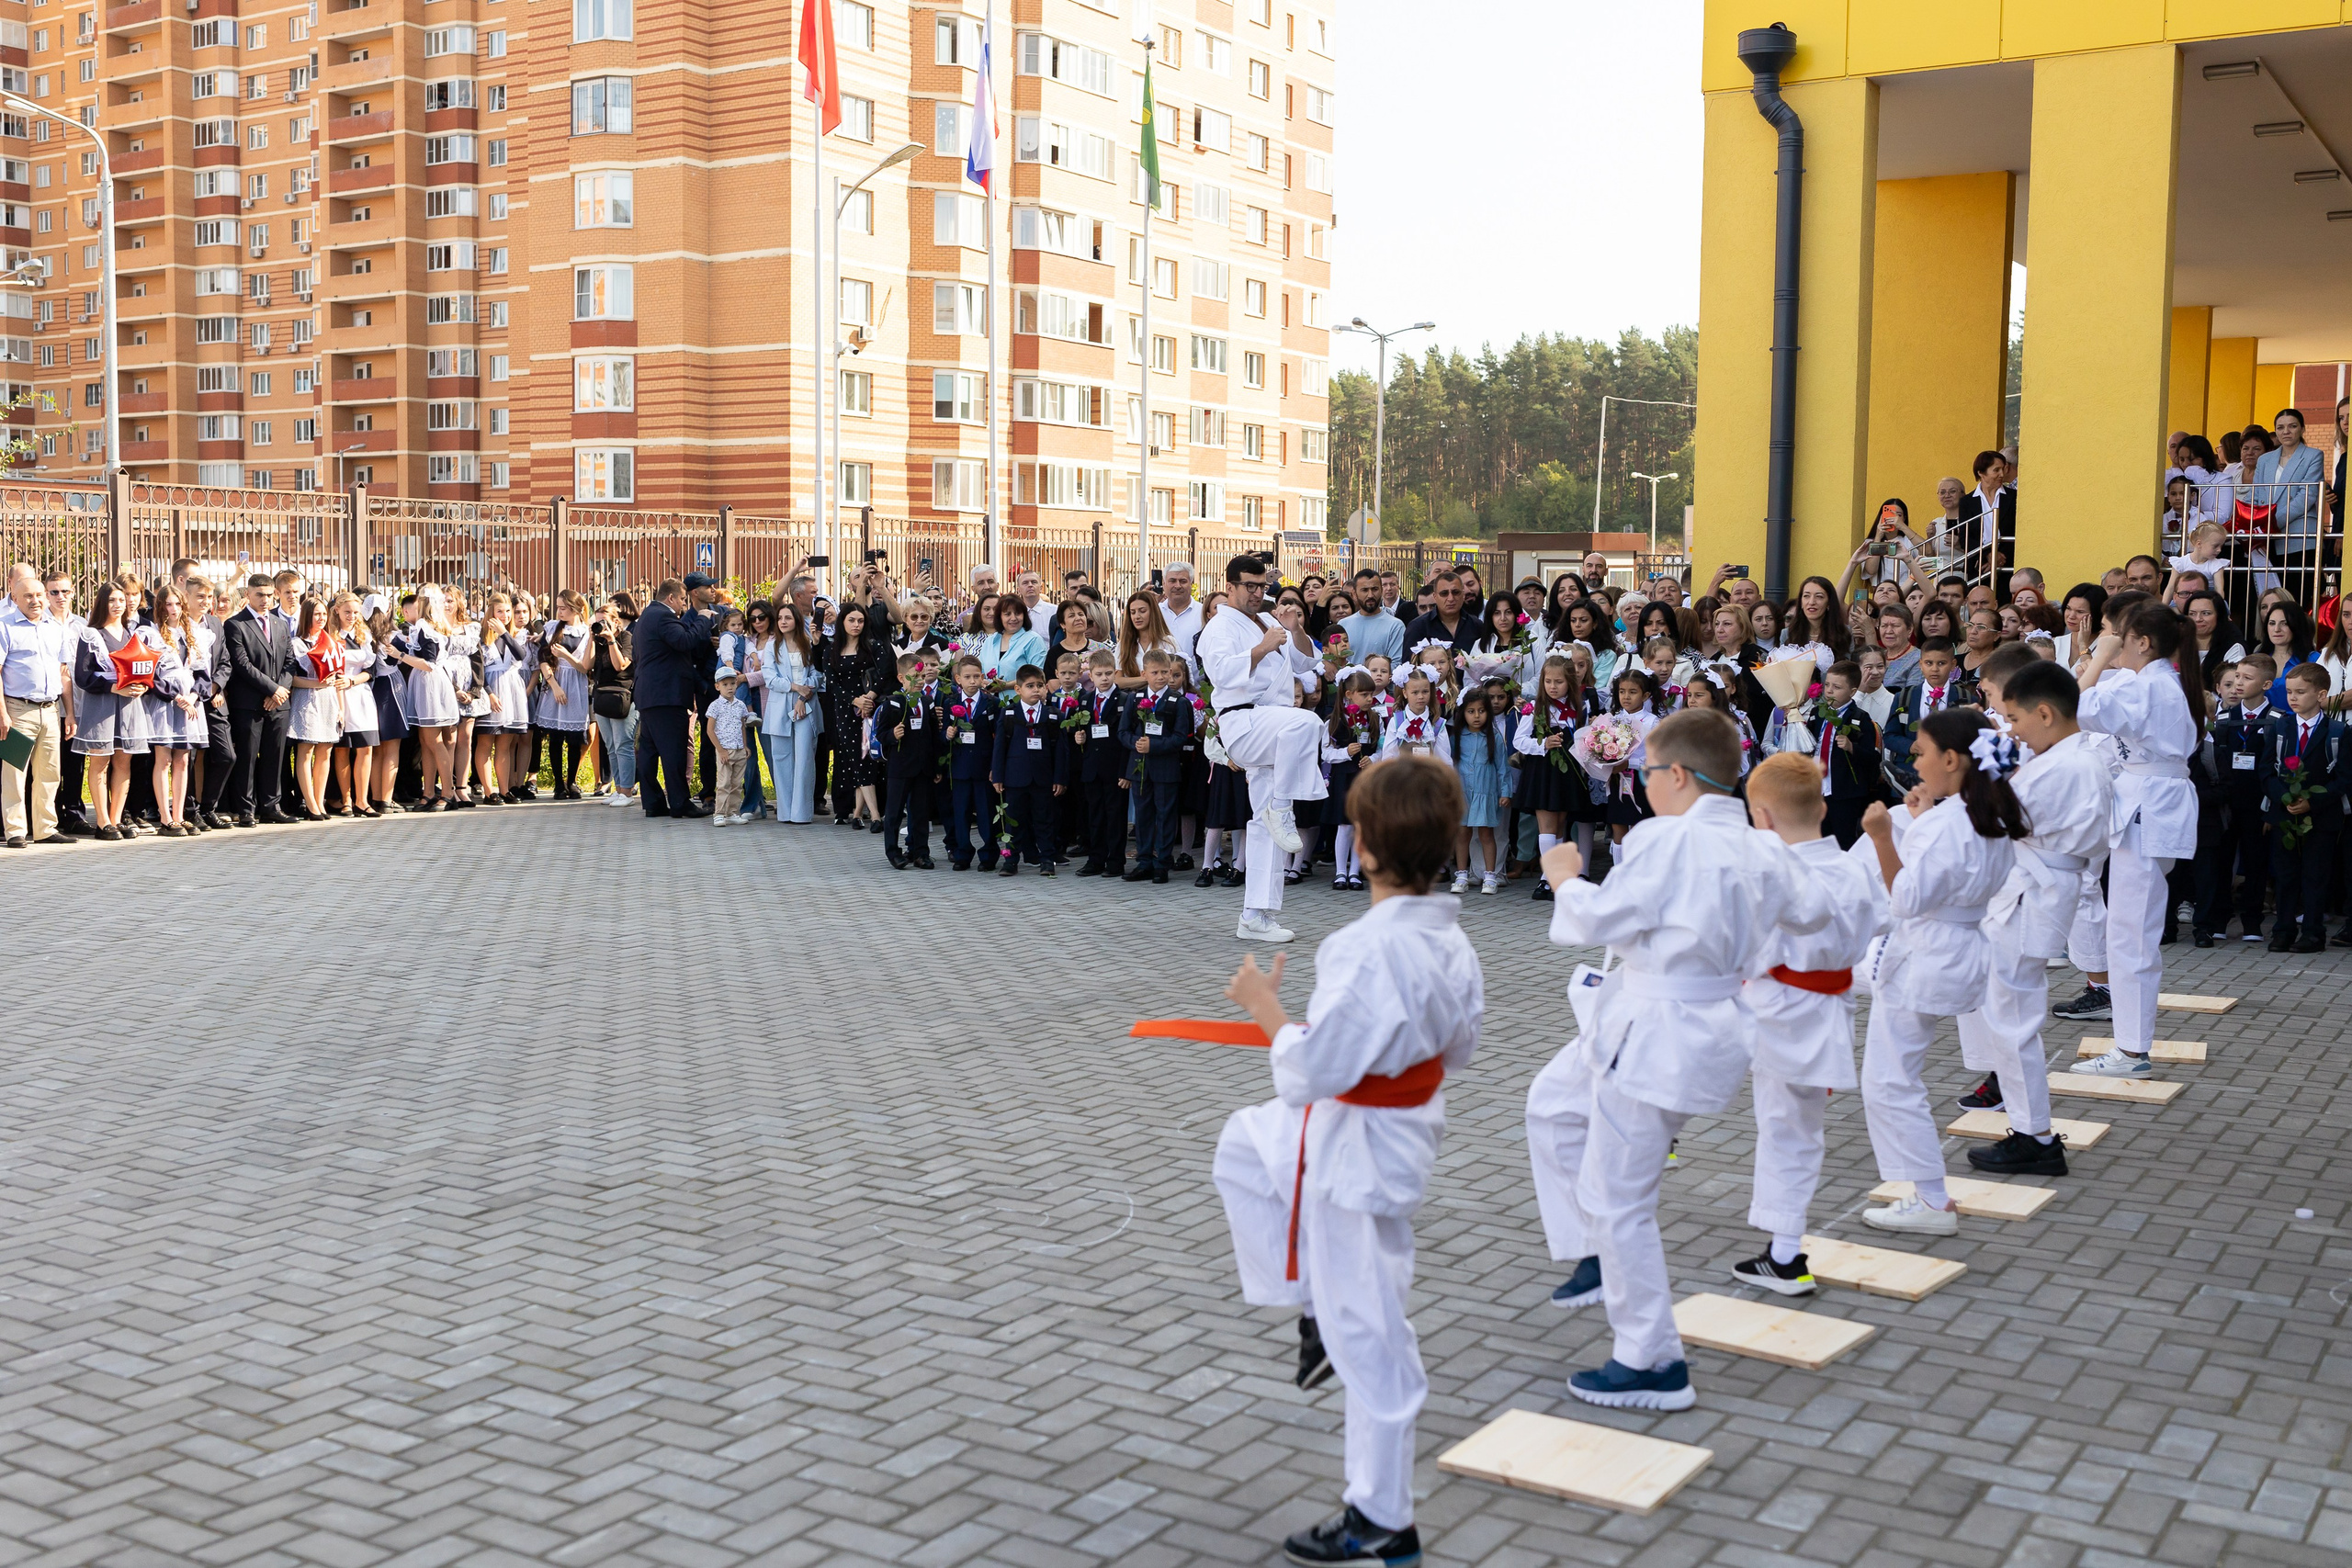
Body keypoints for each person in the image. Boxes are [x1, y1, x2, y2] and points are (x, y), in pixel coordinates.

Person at [1211, 755, 1482, 1568]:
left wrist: (1267, 1011)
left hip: (1358, 1148)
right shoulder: (1451, 936)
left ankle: (1381, 1515)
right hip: (1388, 1132)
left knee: (1371, 1332)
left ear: (1362, 847)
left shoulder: (1363, 949)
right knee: (1244, 1145)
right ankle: (1312, 1306)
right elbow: (1463, 1047)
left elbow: (1308, 1072)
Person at [1524, 709, 1829, 1412]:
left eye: (1648, 774)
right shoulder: (1763, 848)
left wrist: (1566, 875)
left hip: (1658, 1025)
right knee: (1550, 1103)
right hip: (1688, 1017)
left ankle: (1651, 1357)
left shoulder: (1668, 838)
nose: (1645, 786)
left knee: (1622, 1199)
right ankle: (1596, 1251)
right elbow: (1813, 913)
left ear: (1679, 776)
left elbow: (1602, 920)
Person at [1855, 708, 2030, 1235]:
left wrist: (1883, 835)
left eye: (1923, 752)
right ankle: (1928, 1196)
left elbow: (1906, 897)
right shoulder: (1988, 814)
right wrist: (1924, 815)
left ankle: (1931, 1199)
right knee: (1894, 1074)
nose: (1916, 761)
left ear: (1951, 759)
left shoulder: (1954, 823)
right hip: (1956, 948)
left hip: (1926, 952)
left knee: (1890, 1081)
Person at [1954, 653, 2111, 1176]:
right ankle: (2029, 1128)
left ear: (2045, 714)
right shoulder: (2065, 758)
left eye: (2016, 719)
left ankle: (2034, 1136)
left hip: (2034, 892)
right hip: (2035, 887)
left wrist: (1978, 778)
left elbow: (1999, 820)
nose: (2013, 730)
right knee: (2009, 1016)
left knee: (2014, 1021)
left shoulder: (2067, 763)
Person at [1734, 752, 1884, 1295]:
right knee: (1796, 1130)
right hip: (1828, 1011)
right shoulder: (1851, 865)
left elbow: (1745, 948)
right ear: (1822, 806)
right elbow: (1882, 920)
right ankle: (1783, 1247)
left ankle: (1785, 1254)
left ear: (1763, 818)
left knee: (1785, 1131)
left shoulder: (1774, 875)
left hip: (1778, 1014)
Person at [2071, 601, 2204, 1077]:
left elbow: (2072, 709)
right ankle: (2130, 1046)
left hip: (2152, 804)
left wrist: (2100, 656)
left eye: (2120, 637)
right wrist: (2100, 660)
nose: (2114, 643)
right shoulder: (2152, 682)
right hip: (2147, 801)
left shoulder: (2153, 686)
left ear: (2142, 643)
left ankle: (2131, 1051)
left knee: (2132, 935)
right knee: (2128, 932)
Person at [1196, 554, 1329, 943]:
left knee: (1263, 829)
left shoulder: (1270, 620)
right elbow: (1219, 672)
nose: (1258, 593)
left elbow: (1309, 663)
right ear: (1231, 585)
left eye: (1262, 586)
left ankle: (1256, 915)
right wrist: (1263, 647)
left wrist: (1293, 628)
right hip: (1244, 722)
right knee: (1308, 721)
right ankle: (1283, 807)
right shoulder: (1218, 626)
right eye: (1249, 586)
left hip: (1275, 728)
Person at [2256, 663, 2350, 952]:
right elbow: (2265, 770)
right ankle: (2282, 930)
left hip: (2321, 817)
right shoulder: (2281, 726)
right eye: (2289, 692)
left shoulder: (2338, 732)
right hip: (2285, 814)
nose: (2293, 698)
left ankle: (2312, 933)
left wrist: (2313, 801)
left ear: (2321, 695)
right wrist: (2285, 798)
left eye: (2300, 692)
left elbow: (2345, 778)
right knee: (2285, 875)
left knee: (2315, 875)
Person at [632, 578, 718, 819]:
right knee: (673, 751)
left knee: (649, 751)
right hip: (666, 695)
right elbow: (684, 641)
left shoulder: (647, 616)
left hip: (650, 694)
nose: (683, 605)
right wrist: (702, 618)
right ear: (671, 598)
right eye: (681, 599)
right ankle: (680, 803)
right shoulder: (663, 615)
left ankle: (654, 803)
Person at [1, 561, 74, 848]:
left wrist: (70, 713)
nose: (36, 601)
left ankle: (45, 828)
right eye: (28, 596)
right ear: (15, 599)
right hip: (18, 711)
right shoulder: (6, 628)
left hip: (51, 710)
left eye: (40, 595)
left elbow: (63, 673)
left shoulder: (55, 628)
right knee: (15, 772)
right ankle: (15, 830)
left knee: (49, 772)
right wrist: (3, 713)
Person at [2203, 656, 2274, 942]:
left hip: (2258, 803)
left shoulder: (2279, 720)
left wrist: (2271, 806)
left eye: (2247, 678)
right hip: (2226, 803)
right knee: (2221, 860)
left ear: (2266, 685)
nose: (2239, 683)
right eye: (2237, 677)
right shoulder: (2221, 719)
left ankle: (2253, 920)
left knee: (2256, 860)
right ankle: (2219, 917)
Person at [220, 573, 294, 827]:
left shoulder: (280, 624)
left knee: (275, 757)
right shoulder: (235, 625)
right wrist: (272, 689)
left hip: (278, 704)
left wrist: (280, 691)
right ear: (247, 595)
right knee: (248, 757)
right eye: (259, 595)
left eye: (268, 595)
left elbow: (289, 662)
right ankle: (246, 809)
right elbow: (241, 664)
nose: (265, 600)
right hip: (249, 703)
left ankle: (272, 806)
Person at [1119, 649, 1192, 883]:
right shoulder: (1134, 698)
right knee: (1143, 815)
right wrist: (1136, 743)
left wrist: (1155, 746)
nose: (1160, 677)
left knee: (1165, 814)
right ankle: (1144, 861)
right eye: (1155, 672)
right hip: (1140, 767)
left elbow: (1181, 737)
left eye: (1164, 672)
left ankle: (1162, 862)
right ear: (1144, 673)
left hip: (1166, 767)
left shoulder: (1178, 702)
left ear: (1171, 673)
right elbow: (1123, 732)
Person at [990, 664, 1067, 875]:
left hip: (1043, 778)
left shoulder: (1053, 716)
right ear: (1018, 689)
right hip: (1015, 778)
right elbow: (999, 748)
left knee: (1044, 820)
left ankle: (1047, 860)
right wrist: (997, 775)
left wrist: (1060, 778)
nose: (1036, 690)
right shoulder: (1008, 715)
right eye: (1030, 686)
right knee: (1014, 821)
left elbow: (1061, 750)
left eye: (1040, 685)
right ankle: (1011, 861)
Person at [875, 650, 944, 866]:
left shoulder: (927, 701)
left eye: (922, 677)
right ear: (901, 678)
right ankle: (893, 852)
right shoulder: (893, 703)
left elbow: (933, 735)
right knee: (894, 812)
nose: (919, 682)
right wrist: (892, 736)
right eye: (914, 677)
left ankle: (919, 851)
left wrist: (936, 766)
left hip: (922, 767)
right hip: (901, 767)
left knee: (921, 812)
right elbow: (880, 732)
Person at [1452, 688, 1508, 894]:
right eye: (1471, 711)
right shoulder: (1457, 737)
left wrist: (1505, 792)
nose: (1476, 716)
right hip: (1463, 792)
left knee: (1486, 833)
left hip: (1486, 791)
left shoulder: (1494, 737)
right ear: (1463, 713)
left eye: (1481, 711)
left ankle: (1490, 876)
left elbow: (1503, 767)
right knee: (1463, 833)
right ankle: (1461, 875)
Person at [703, 665, 755, 825]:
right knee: (724, 783)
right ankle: (719, 813)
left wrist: (745, 746)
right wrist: (721, 750)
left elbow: (742, 726)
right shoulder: (715, 706)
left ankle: (732, 812)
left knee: (737, 783)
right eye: (725, 685)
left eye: (732, 683)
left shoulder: (740, 705)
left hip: (739, 749)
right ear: (717, 686)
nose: (730, 687)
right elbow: (710, 730)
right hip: (725, 750)